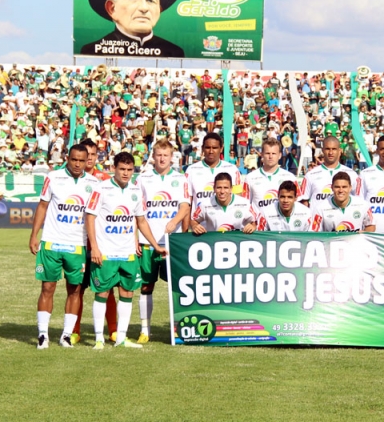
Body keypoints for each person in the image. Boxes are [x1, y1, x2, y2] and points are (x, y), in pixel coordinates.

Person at [85, 152, 166, 349]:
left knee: (127, 293)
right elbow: (90, 218)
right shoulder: (101, 189)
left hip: (128, 253)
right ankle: (98, 339)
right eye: (122, 169)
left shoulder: (136, 191)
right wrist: (94, 247)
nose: (126, 173)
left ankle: (121, 338)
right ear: (114, 168)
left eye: (130, 170)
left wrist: (155, 245)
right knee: (102, 293)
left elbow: (141, 221)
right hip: (105, 253)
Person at [28, 144, 100, 349]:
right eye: (74, 159)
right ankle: (43, 335)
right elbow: (42, 205)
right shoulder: (53, 177)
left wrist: (95, 245)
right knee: (47, 287)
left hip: (77, 246)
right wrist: (34, 235)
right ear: (67, 158)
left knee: (75, 290)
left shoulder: (94, 183)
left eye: (81, 160)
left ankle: (66, 335)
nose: (77, 164)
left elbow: (92, 217)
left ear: (87, 161)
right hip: (51, 242)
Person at [135, 138, 190, 343]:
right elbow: (135, 211)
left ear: (172, 157)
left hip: (171, 242)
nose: (162, 159)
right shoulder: (143, 179)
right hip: (147, 242)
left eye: (165, 155)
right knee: (146, 286)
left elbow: (185, 206)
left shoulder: (180, 179)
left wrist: (174, 222)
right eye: (158, 155)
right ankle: (145, 330)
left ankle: (178, 328)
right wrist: (135, 238)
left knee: (177, 287)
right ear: (153, 156)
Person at [80, 0, 184, 58]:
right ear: (112, 8)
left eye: (150, 0)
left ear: (159, 10)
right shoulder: (93, 51)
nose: (144, 8)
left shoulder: (173, 53)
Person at [71, 139, 116, 345]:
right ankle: (75, 331)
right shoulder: (72, 179)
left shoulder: (105, 180)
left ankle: (113, 329)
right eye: (86, 154)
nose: (89, 158)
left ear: (97, 156)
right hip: (79, 243)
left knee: (108, 289)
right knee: (77, 289)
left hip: (102, 245)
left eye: (92, 154)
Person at [185, 132, 242, 216]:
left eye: (215, 148)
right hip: (199, 222)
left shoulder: (232, 169)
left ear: (221, 149)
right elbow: (187, 202)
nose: (211, 151)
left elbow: (239, 198)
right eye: (208, 147)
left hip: (226, 221)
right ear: (202, 148)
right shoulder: (191, 170)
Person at [299, 136, 361, 206]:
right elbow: (303, 202)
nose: (331, 152)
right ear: (322, 150)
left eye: (334, 149)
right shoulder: (310, 175)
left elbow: (358, 200)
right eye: (327, 149)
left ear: (339, 151)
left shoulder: (352, 174)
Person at [191, 173, 259, 234]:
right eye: (219, 188)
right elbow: (193, 220)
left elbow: (255, 221)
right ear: (214, 189)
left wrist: (253, 226)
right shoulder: (205, 204)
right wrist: (194, 226)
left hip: (236, 242)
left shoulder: (245, 204)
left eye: (226, 188)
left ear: (231, 189)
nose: (222, 191)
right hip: (213, 242)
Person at [244, 137, 297, 213]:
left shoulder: (290, 177)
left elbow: (297, 204)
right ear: (262, 154)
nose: (270, 157)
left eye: (274, 153)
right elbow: (245, 205)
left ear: (280, 155)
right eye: (267, 153)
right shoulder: (250, 178)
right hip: (258, 220)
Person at [310, 172, 376, 232]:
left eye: (344, 187)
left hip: (355, 242)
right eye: (337, 187)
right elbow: (314, 233)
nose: (341, 190)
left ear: (350, 188)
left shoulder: (363, 205)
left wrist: (364, 234)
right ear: (332, 188)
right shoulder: (320, 208)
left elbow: (371, 225)